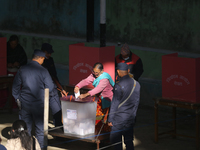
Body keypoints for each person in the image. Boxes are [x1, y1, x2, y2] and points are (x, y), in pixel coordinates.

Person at [12, 49, 54, 149]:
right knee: (40, 130)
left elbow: (15, 87)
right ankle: (40, 148)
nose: (43, 61)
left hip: (25, 103)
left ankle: (26, 148)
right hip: (39, 104)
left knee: (26, 129)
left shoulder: (22, 69)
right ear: (40, 58)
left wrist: (18, 99)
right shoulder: (43, 71)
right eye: (43, 59)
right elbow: (50, 87)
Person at [108, 63, 140, 150]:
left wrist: (110, 119)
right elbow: (136, 102)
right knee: (129, 140)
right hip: (130, 117)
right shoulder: (136, 84)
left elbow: (115, 103)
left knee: (115, 139)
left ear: (118, 71)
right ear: (127, 71)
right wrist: (134, 116)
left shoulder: (119, 85)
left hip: (119, 118)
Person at [74, 62, 115, 130]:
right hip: (99, 99)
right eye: (94, 71)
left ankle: (103, 134)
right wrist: (78, 86)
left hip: (107, 99)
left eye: (97, 72)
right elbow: (86, 81)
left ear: (102, 71)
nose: (95, 74)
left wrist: (85, 95)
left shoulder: (104, 79)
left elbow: (98, 89)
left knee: (103, 118)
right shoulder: (93, 75)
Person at [41, 43, 67, 128]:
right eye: (47, 53)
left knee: (57, 111)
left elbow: (54, 76)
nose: (49, 55)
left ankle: (58, 131)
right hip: (41, 90)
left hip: (53, 90)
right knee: (40, 114)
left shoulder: (50, 60)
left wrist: (61, 89)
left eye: (50, 53)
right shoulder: (38, 63)